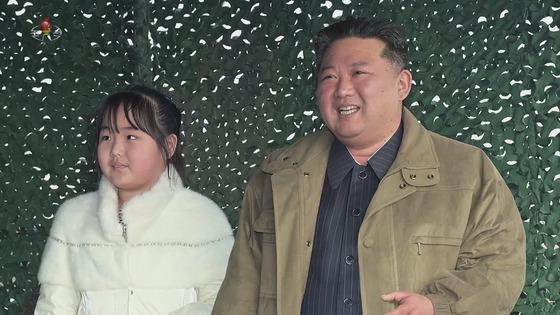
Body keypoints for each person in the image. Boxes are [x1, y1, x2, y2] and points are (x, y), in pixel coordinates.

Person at [212, 16, 526, 315]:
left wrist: (439, 305)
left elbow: (500, 266)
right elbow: (241, 289)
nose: (343, 89)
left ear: (402, 84)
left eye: (359, 73)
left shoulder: (467, 170)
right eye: (329, 76)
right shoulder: (278, 175)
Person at [34, 85, 234, 314]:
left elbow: (224, 304)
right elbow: (54, 307)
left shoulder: (203, 219)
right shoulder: (74, 218)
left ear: (169, 146)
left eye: (131, 136)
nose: (116, 150)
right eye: (107, 136)